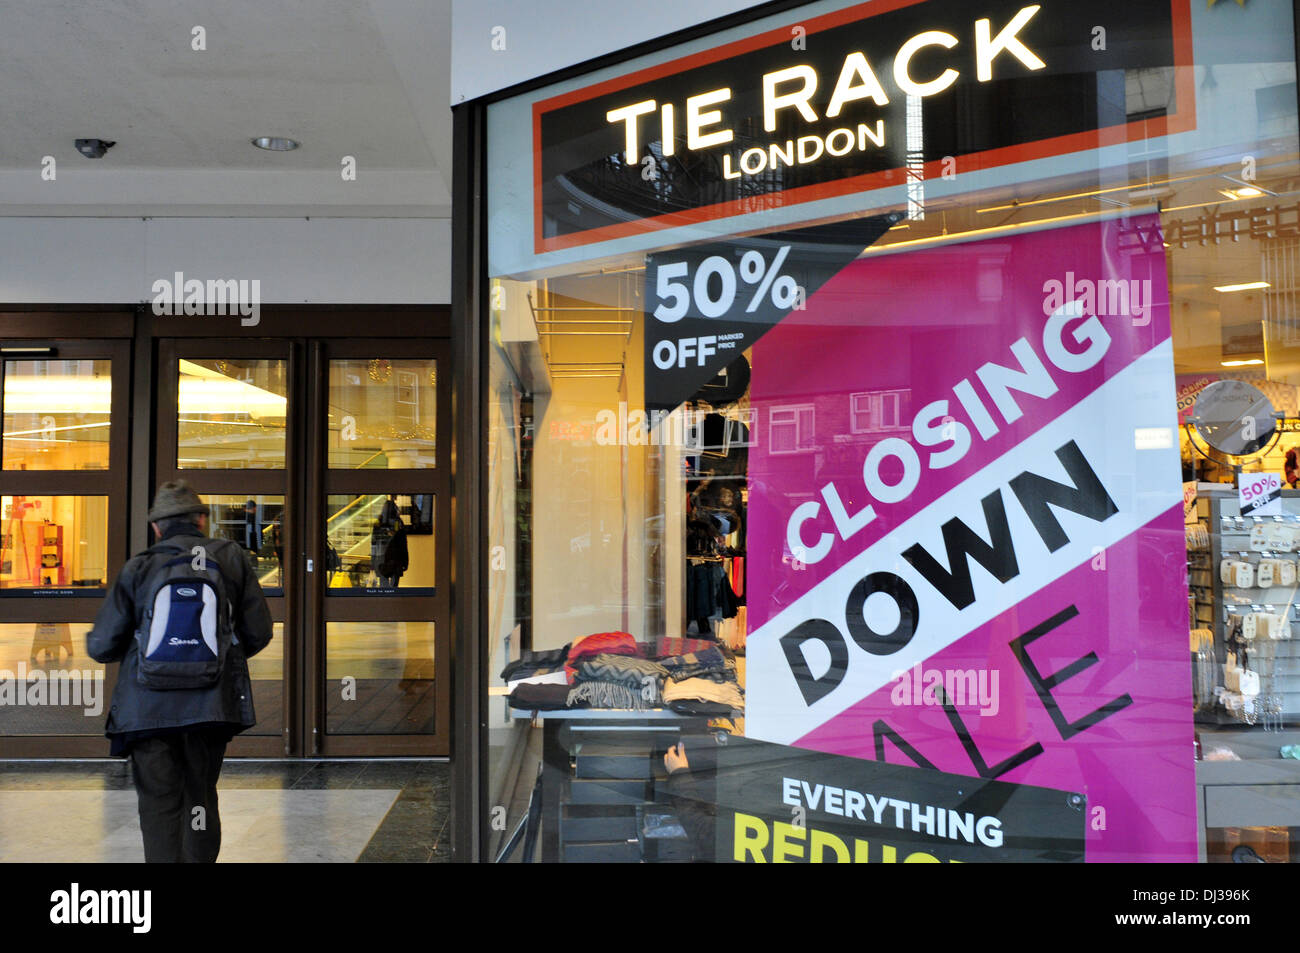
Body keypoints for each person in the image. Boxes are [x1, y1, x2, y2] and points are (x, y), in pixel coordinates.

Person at [87, 480, 273, 862]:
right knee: (199, 800)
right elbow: (259, 632)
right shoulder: (231, 558)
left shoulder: (139, 566)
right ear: (201, 520)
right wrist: (215, 659)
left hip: (147, 711)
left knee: (158, 804)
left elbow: (103, 646)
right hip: (209, 708)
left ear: (157, 527)